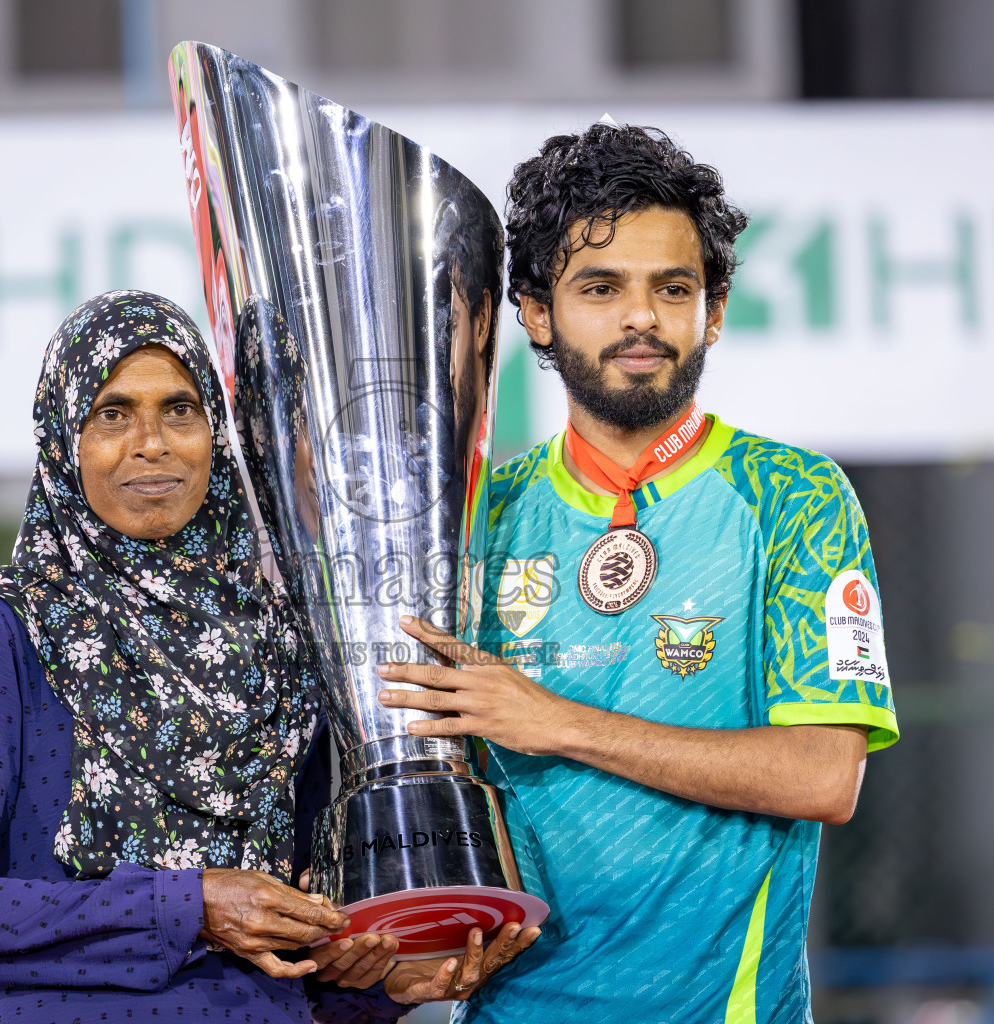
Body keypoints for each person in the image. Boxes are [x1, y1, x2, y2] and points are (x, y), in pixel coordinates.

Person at [374, 125, 901, 1022]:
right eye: (601, 287)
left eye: (673, 287)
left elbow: (822, 774)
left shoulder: (794, 498)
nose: (642, 318)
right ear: (537, 313)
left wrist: (558, 724)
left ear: (716, 308)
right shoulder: (473, 520)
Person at [0, 291, 531, 1023]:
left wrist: (376, 987)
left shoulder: (281, 632)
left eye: (179, 409)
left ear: (215, 434)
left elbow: (299, 960)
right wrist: (188, 905)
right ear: (62, 440)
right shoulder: (5, 625)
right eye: (112, 413)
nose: (152, 442)